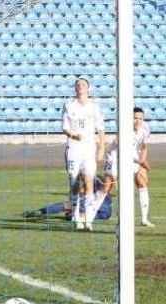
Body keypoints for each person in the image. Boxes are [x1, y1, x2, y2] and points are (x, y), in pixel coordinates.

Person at [93, 107, 154, 227]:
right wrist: (141, 162)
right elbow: (124, 151)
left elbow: (144, 147)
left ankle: (144, 219)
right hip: (115, 155)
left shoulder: (145, 128)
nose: (138, 121)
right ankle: (89, 214)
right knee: (107, 186)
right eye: (135, 118)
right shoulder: (123, 129)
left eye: (140, 118)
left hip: (133, 155)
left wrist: (141, 164)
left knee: (142, 181)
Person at [62, 77, 105, 231]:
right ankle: (76, 218)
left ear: (88, 88)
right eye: (78, 84)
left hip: (89, 148)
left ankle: (88, 221)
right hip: (74, 148)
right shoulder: (68, 105)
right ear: (75, 88)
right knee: (74, 183)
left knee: (88, 182)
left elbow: (100, 129)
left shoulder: (94, 107)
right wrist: (73, 135)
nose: (81, 86)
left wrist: (101, 148)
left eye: (83, 84)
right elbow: (65, 127)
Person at [23, 176, 112, 222]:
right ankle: (75, 216)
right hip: (107, 212)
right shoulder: (99, 178)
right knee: (76, 216)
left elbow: (81, 191)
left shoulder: (88, 177)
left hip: (95, 202)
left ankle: (40, 211)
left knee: (67, 205)